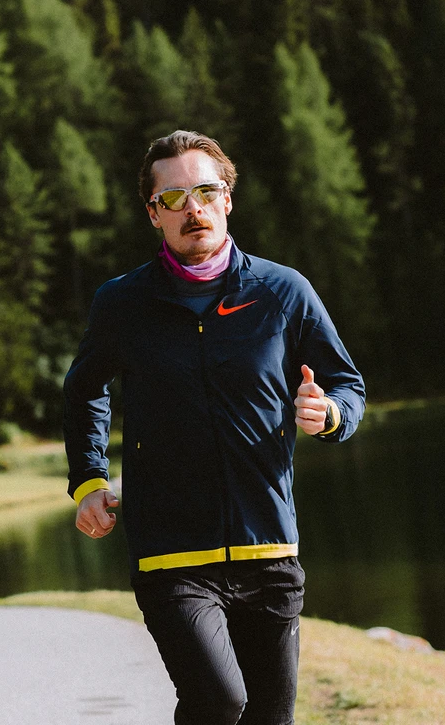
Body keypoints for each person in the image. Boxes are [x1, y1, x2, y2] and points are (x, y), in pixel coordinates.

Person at [63, 130, 365, 725]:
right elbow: (84, 390)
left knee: (269, 717)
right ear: (154, 214)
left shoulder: (283, 291)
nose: (192, 209)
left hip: (268, 545)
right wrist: (89, 480)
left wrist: (328, 412)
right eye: (173, 198)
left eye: (204, 192)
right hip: (170, 554)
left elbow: (347, 385)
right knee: (219, 700)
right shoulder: (122, 303)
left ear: (227, 198)